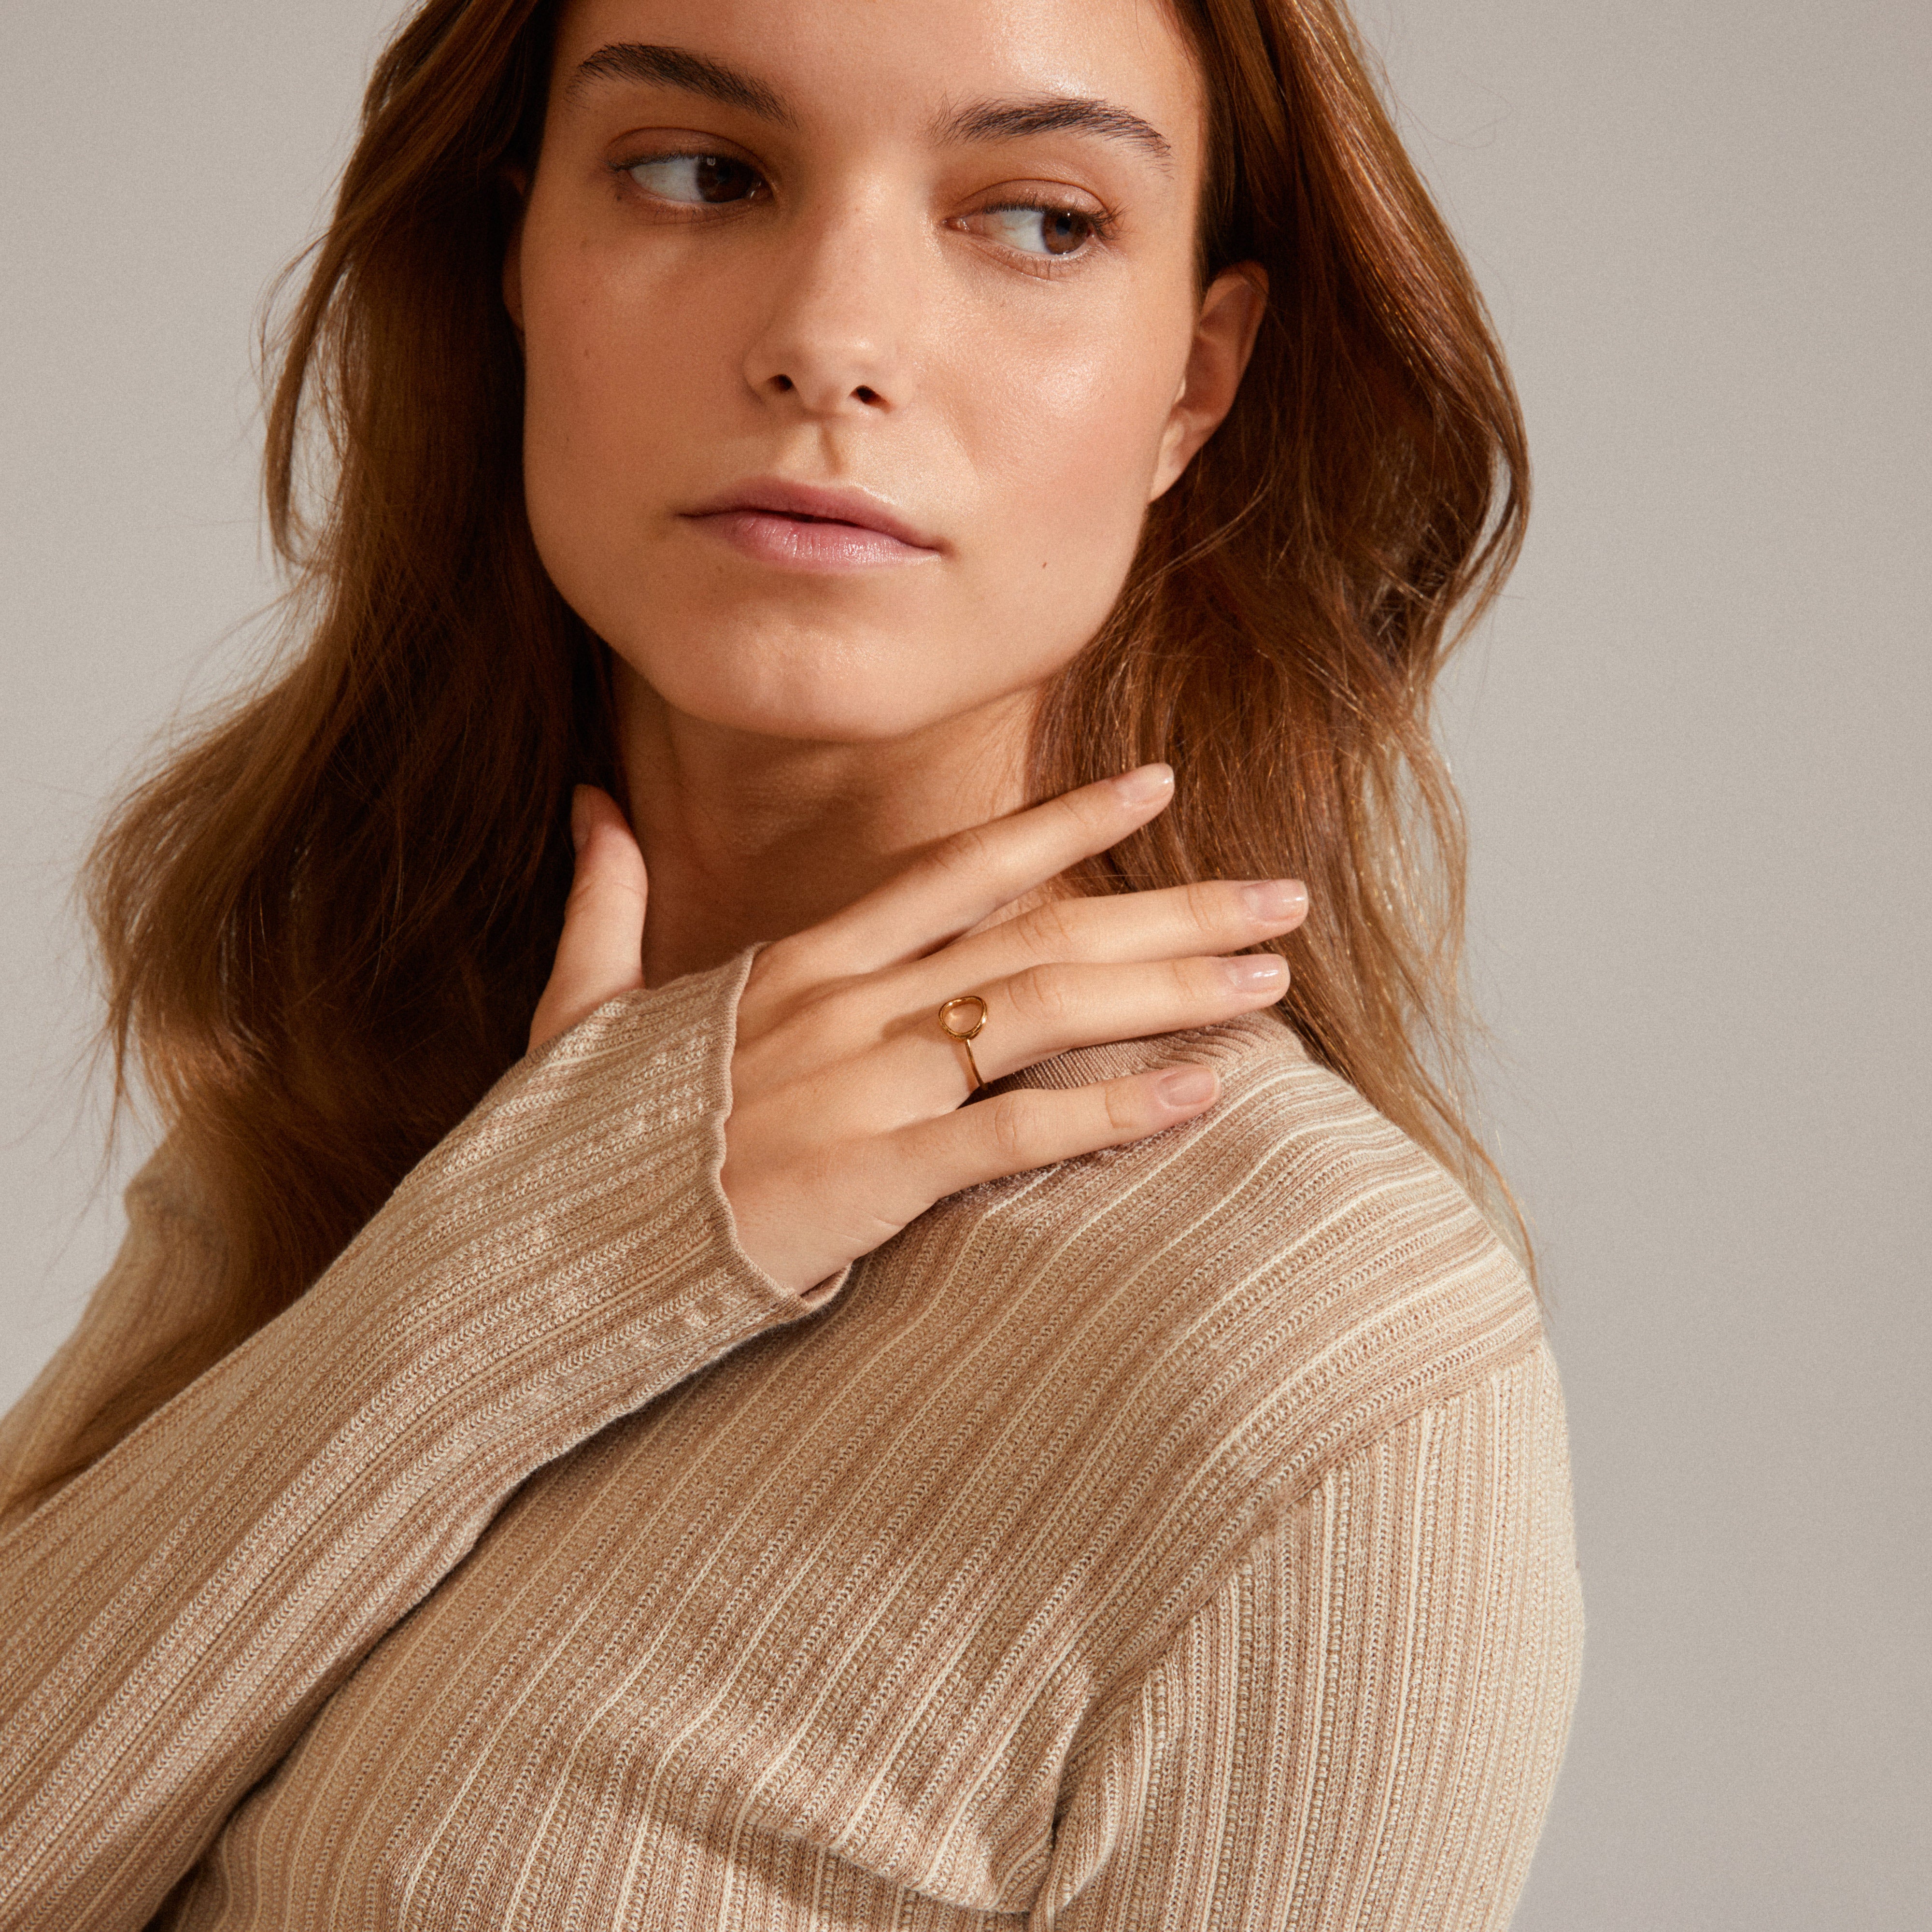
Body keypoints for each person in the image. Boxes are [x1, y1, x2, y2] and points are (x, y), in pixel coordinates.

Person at [0, 0, 1583, 1924]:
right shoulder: (384, 1069)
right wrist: (521, 1275)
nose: (830, 340)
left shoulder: (1312, 1355)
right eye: (702, 173)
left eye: (1039, 219)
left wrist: (583, 1252)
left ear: (1197, 379)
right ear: (518, 259)